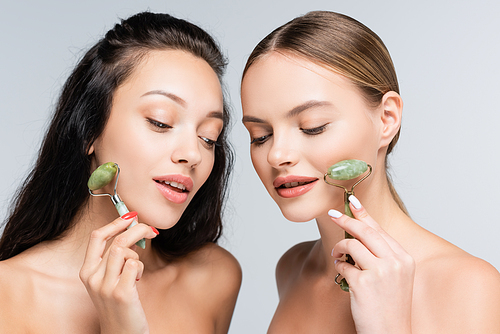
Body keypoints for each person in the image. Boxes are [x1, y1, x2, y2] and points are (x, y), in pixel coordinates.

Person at [241, 11, 500, 333]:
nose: (277, 154)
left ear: (387, 119)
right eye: (260, 136)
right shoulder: (292, 268)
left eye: (312, 127)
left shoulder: (467, 286)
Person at [0, 12, 241, 333]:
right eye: (161, 122)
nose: (193, 154)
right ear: (90, 132)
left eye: (209, 137)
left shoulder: (214, 278)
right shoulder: (9, 293)